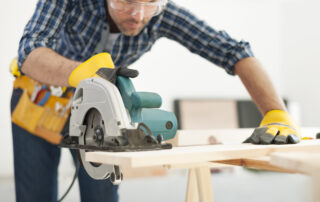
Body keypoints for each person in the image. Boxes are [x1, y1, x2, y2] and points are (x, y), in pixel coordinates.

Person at [11, 0, 301, 201]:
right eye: (125, 2)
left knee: (102, 195)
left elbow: (234, 51)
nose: (138, 15)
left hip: (97, 111)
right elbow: (30, 50)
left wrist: (275, 112)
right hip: (39, 99)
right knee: (35, 195)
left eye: (150, 2)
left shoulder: (162, 14)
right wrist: (79, 72)